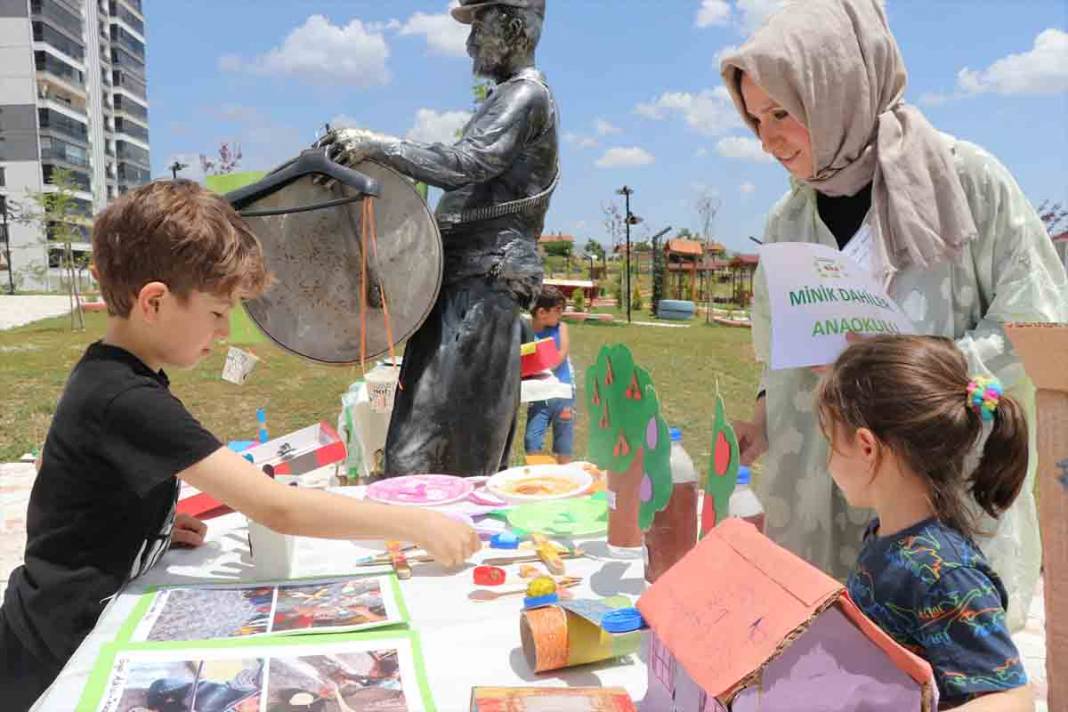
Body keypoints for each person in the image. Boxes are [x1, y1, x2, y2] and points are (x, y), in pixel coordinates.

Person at [0, 181, 480, 710]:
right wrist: (419, 525)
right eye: (216, 312)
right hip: (53, 649)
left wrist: (142, 524)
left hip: (54, 617)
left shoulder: (107, 373)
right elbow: (278, 507)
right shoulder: (126, 398)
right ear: (155, 302)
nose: (225, 331)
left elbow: (65, 474)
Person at [720, 0, 1068, 626]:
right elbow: (781, 355)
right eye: (754, 118)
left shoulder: (966, 182)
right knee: (833, 659)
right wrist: (762, 421)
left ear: (838, 91)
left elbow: (1037, 322)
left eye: (782, 113)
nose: (768, 139)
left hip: (943, 501)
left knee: (949, 663)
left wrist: (911, 371)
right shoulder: (789, 219)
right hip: (819, 510)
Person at [317, 0, 558, 478]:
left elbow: (465, 163)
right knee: (428, 439)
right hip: (461, 286)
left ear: (513, 27)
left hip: (483, 286)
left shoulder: (525, 96)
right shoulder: (506, 97)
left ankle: (447, 538)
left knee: (446, 445)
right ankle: (423, 532)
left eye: (479, 29)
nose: (470, 45)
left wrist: (376, 145)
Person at [818, 335, 1032, 710]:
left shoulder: (944, 574)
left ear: (866, 446)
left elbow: (1012, 699)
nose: (828, 462)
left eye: (831, 444)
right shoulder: (886, 536)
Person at [523, 286, 575, 463]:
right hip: (538, 395)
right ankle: (539, 478)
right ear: (542, 313)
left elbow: (560, 355)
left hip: (563, 393)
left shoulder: (562, 328)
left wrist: (536, 365)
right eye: (558, 310)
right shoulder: (526, 330)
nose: (561, 314)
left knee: (564, 442)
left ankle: (565, 476)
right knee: (532, 440)